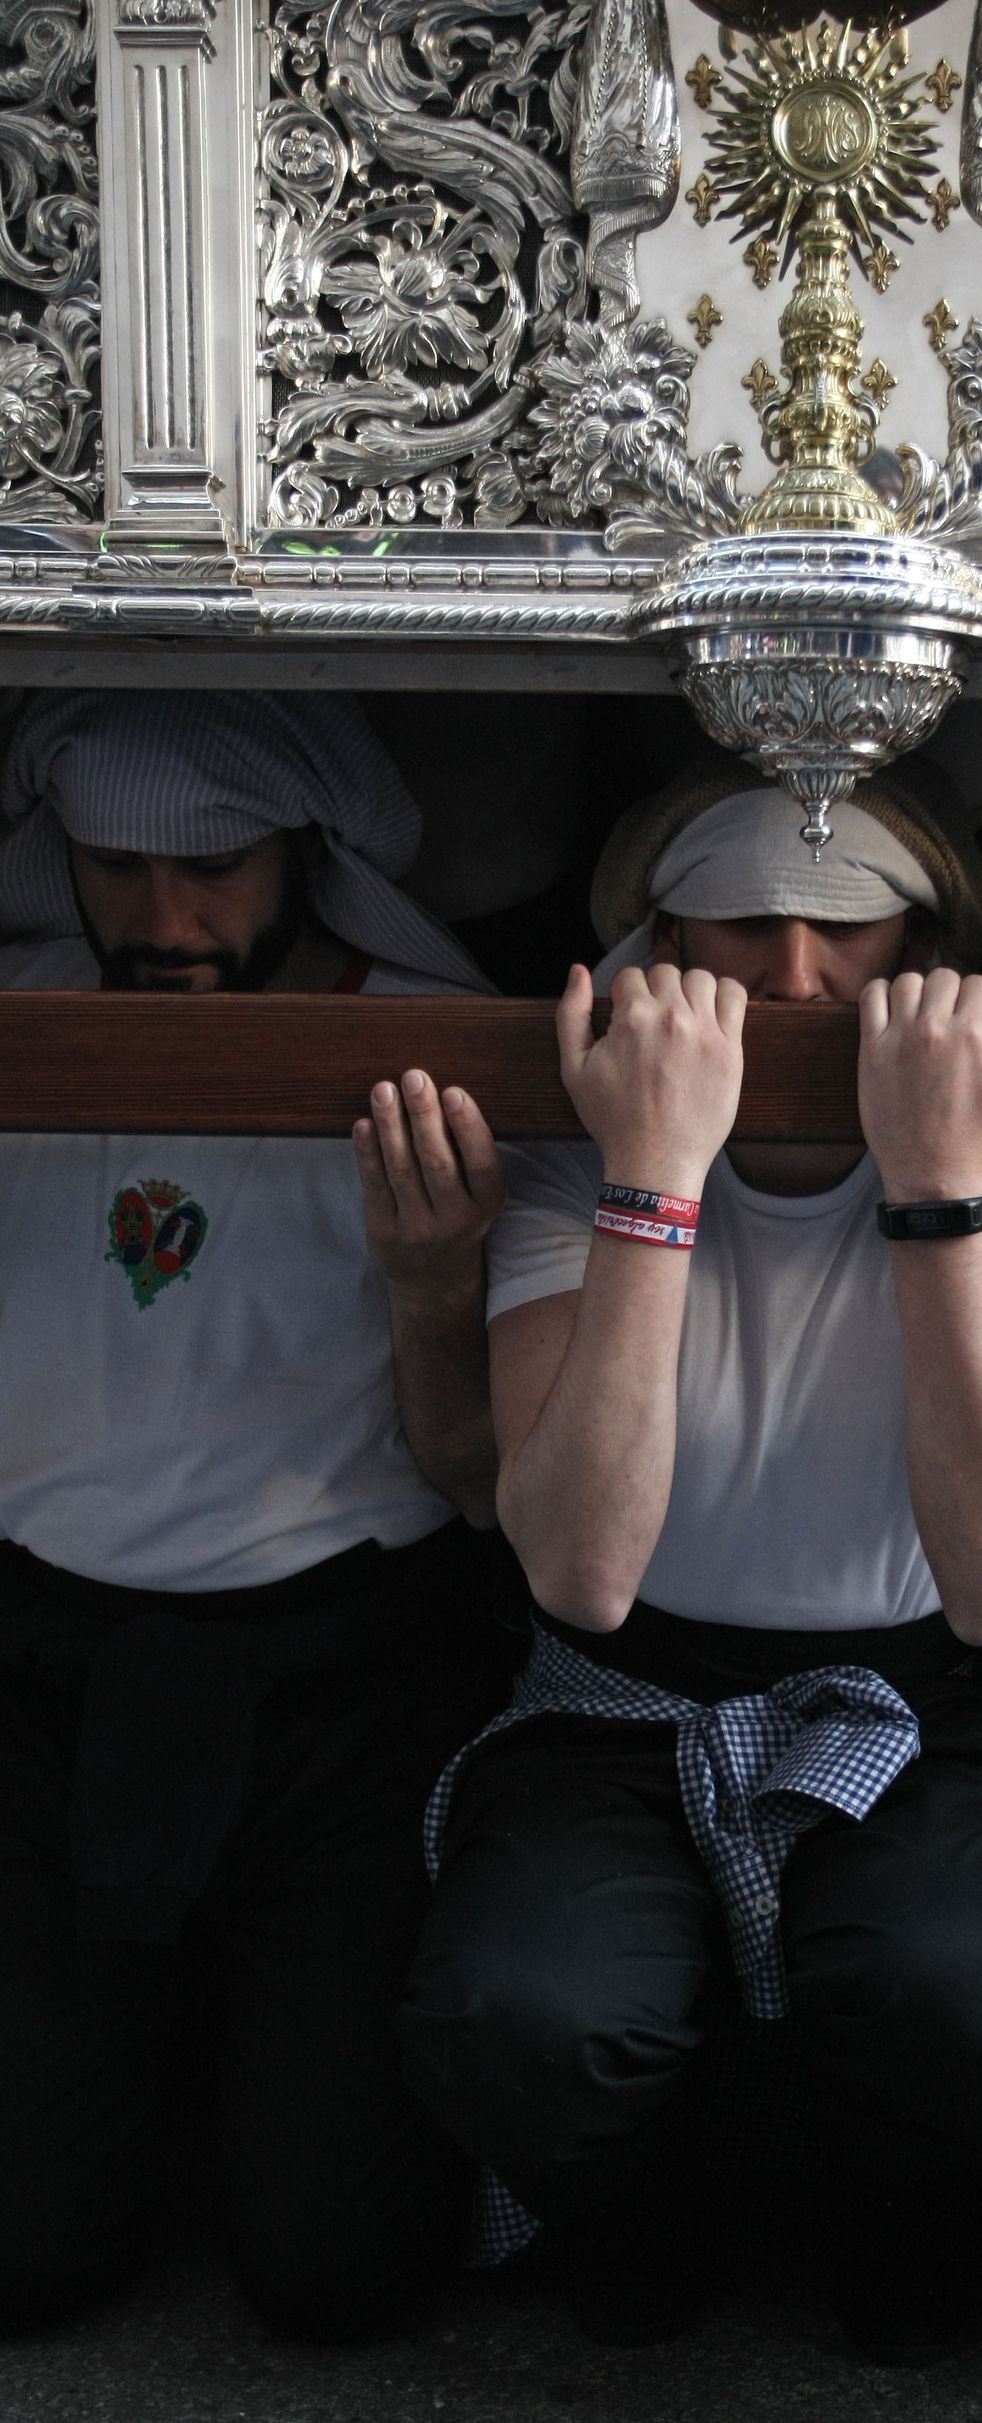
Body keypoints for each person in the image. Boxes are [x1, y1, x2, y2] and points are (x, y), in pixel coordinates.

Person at [398, 756, 982, 2361]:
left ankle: (907, 2198)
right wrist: (653, 1181)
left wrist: (936, 1192)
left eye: (849, 930)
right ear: (659, 946)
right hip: (623, 1693)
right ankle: (637, 2200)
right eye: (740, 925)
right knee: (527, 2010)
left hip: (906, 1695)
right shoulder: (579, 1143)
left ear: (928, 946)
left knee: (969, 1992)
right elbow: (580, 1572)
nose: (797, 977)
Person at [0, 691, 516, 2341]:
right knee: (25, 2253)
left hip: (337, 1693)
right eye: (115, 867)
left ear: (308, 852)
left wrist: (436, 1285)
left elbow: (485, 1483)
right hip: (44, 1679)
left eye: (215, 866)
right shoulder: (23, 1016)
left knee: (334, 2269)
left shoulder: (441, 1055)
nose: (164, 919)